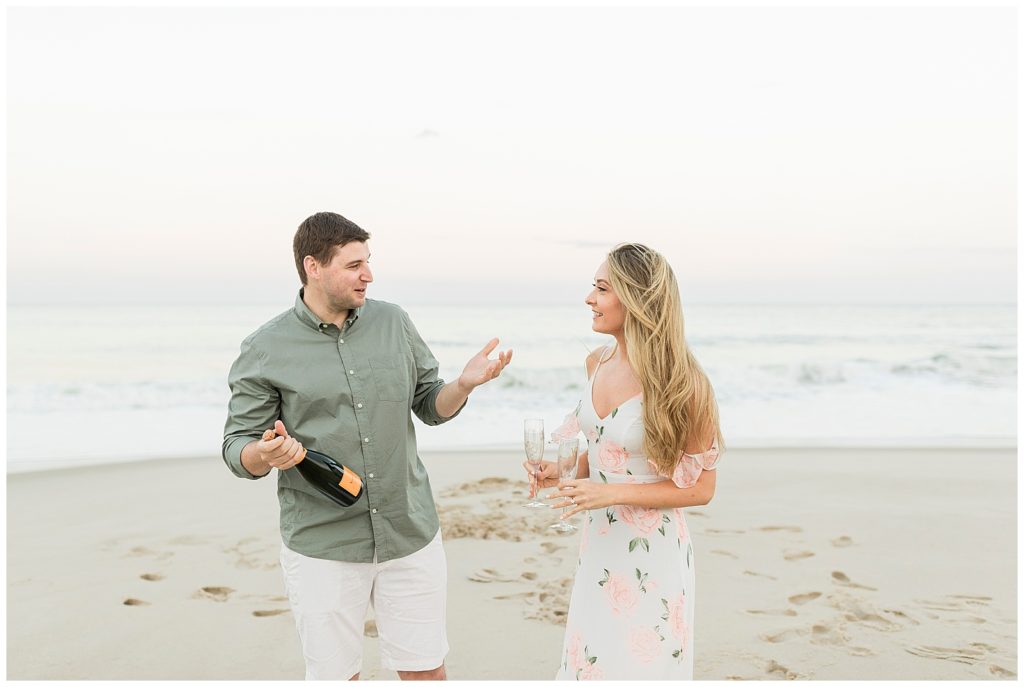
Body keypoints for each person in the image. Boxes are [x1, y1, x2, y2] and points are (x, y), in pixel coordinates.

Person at [222, 211, 511, 681]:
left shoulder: (393, 321)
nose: (368, 275)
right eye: (354, 264)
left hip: (409, 532)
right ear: (313, 266)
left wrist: (464, 384)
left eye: (368, 262)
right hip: (323, 544)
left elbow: (429, 404)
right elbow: (238, 447)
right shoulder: (264, 348)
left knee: (425, 673)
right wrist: (263, 455)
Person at [526, 243, 722, 680]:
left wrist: (608, 492)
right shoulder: (597, 361)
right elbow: (601, 449)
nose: (589, 299)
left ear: (635, 297)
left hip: (654, 551)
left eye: (601, 288)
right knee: (593, 662)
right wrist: (565, 469)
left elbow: (700, 488)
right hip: (600, 541)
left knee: (642, 665)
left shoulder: (684, 384)